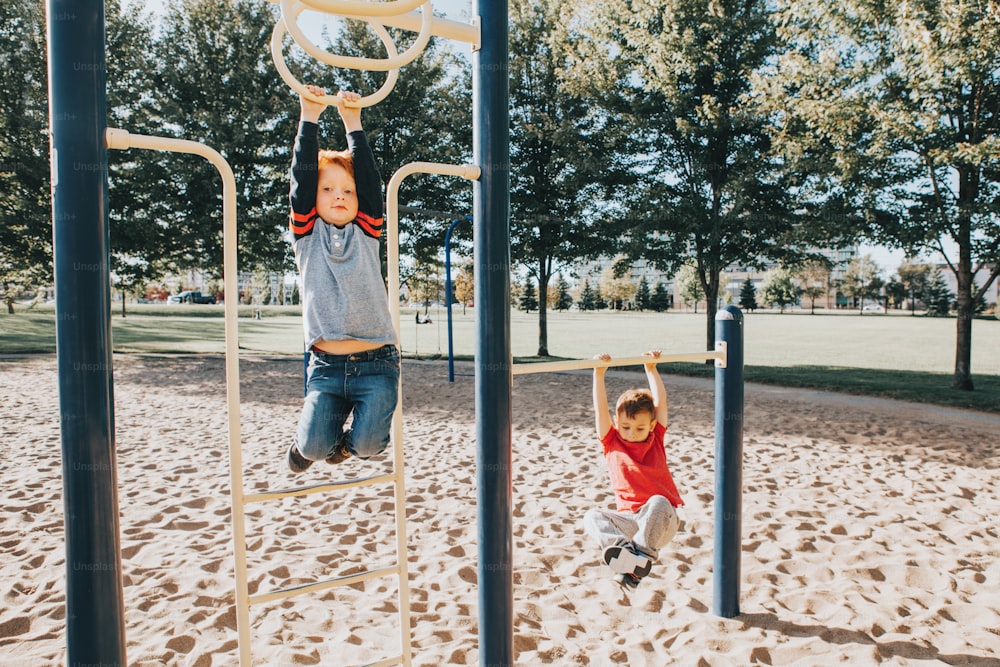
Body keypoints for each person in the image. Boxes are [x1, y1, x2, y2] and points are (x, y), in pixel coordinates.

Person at [285, 84, 400, 474]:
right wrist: (309, 117)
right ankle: (314, 444)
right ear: (314, 200)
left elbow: (369, 185)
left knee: (369, 446)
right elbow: (300, 183)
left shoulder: (366, 233)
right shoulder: (307, 236)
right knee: (314, 446)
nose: (339, 195)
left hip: (377, 362)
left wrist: (354, 124)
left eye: (346, 190)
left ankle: (343, 447)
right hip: (327, 367)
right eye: (328, 189)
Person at [583, 351, 683, 590]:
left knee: (658, 501)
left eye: (639, 427)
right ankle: (626, 556)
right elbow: (600, 410)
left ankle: (643, 557)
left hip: (661, 521)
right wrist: (599, 374)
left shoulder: (656, 438)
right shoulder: (611, 442)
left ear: (651, 425)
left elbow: (662, 403)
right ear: (617, 424)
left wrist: (651, 368)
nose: (631, 432)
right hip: (631, 522)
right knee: (592, 516)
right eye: (626, 426)